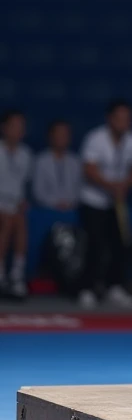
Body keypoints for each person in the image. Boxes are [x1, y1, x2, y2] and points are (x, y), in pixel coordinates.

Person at [77, 100, 132, 309]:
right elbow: (89, 169)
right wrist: (110, 185)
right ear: (110, 119)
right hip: (93, 201)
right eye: (120, 118)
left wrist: (125, 185)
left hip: (118, 203)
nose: (124, 122)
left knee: (120, 244)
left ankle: (115, 286)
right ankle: (87, 288)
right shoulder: (95, 139)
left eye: (127, 118)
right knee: (95, 245)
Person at [0, 110, 32, 298]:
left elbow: (25, 185)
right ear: (4, 128)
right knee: (7, 221)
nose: (18, 130)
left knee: (19, 221)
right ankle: (1, 274)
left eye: (21, 127)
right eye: (14, 126)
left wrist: (22, 202)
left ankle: (17, 276)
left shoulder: (26, 154)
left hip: (15, 205)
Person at [32, 120, 82, 211]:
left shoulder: (76, 161)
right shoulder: (40, 160)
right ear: (51, 136)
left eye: (65, 134)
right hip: (47, 209)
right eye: (59, 134)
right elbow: (38, 191)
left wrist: (69, 203)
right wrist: (55, 204)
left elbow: (80, 188)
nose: (62, 137)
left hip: (72, 209)